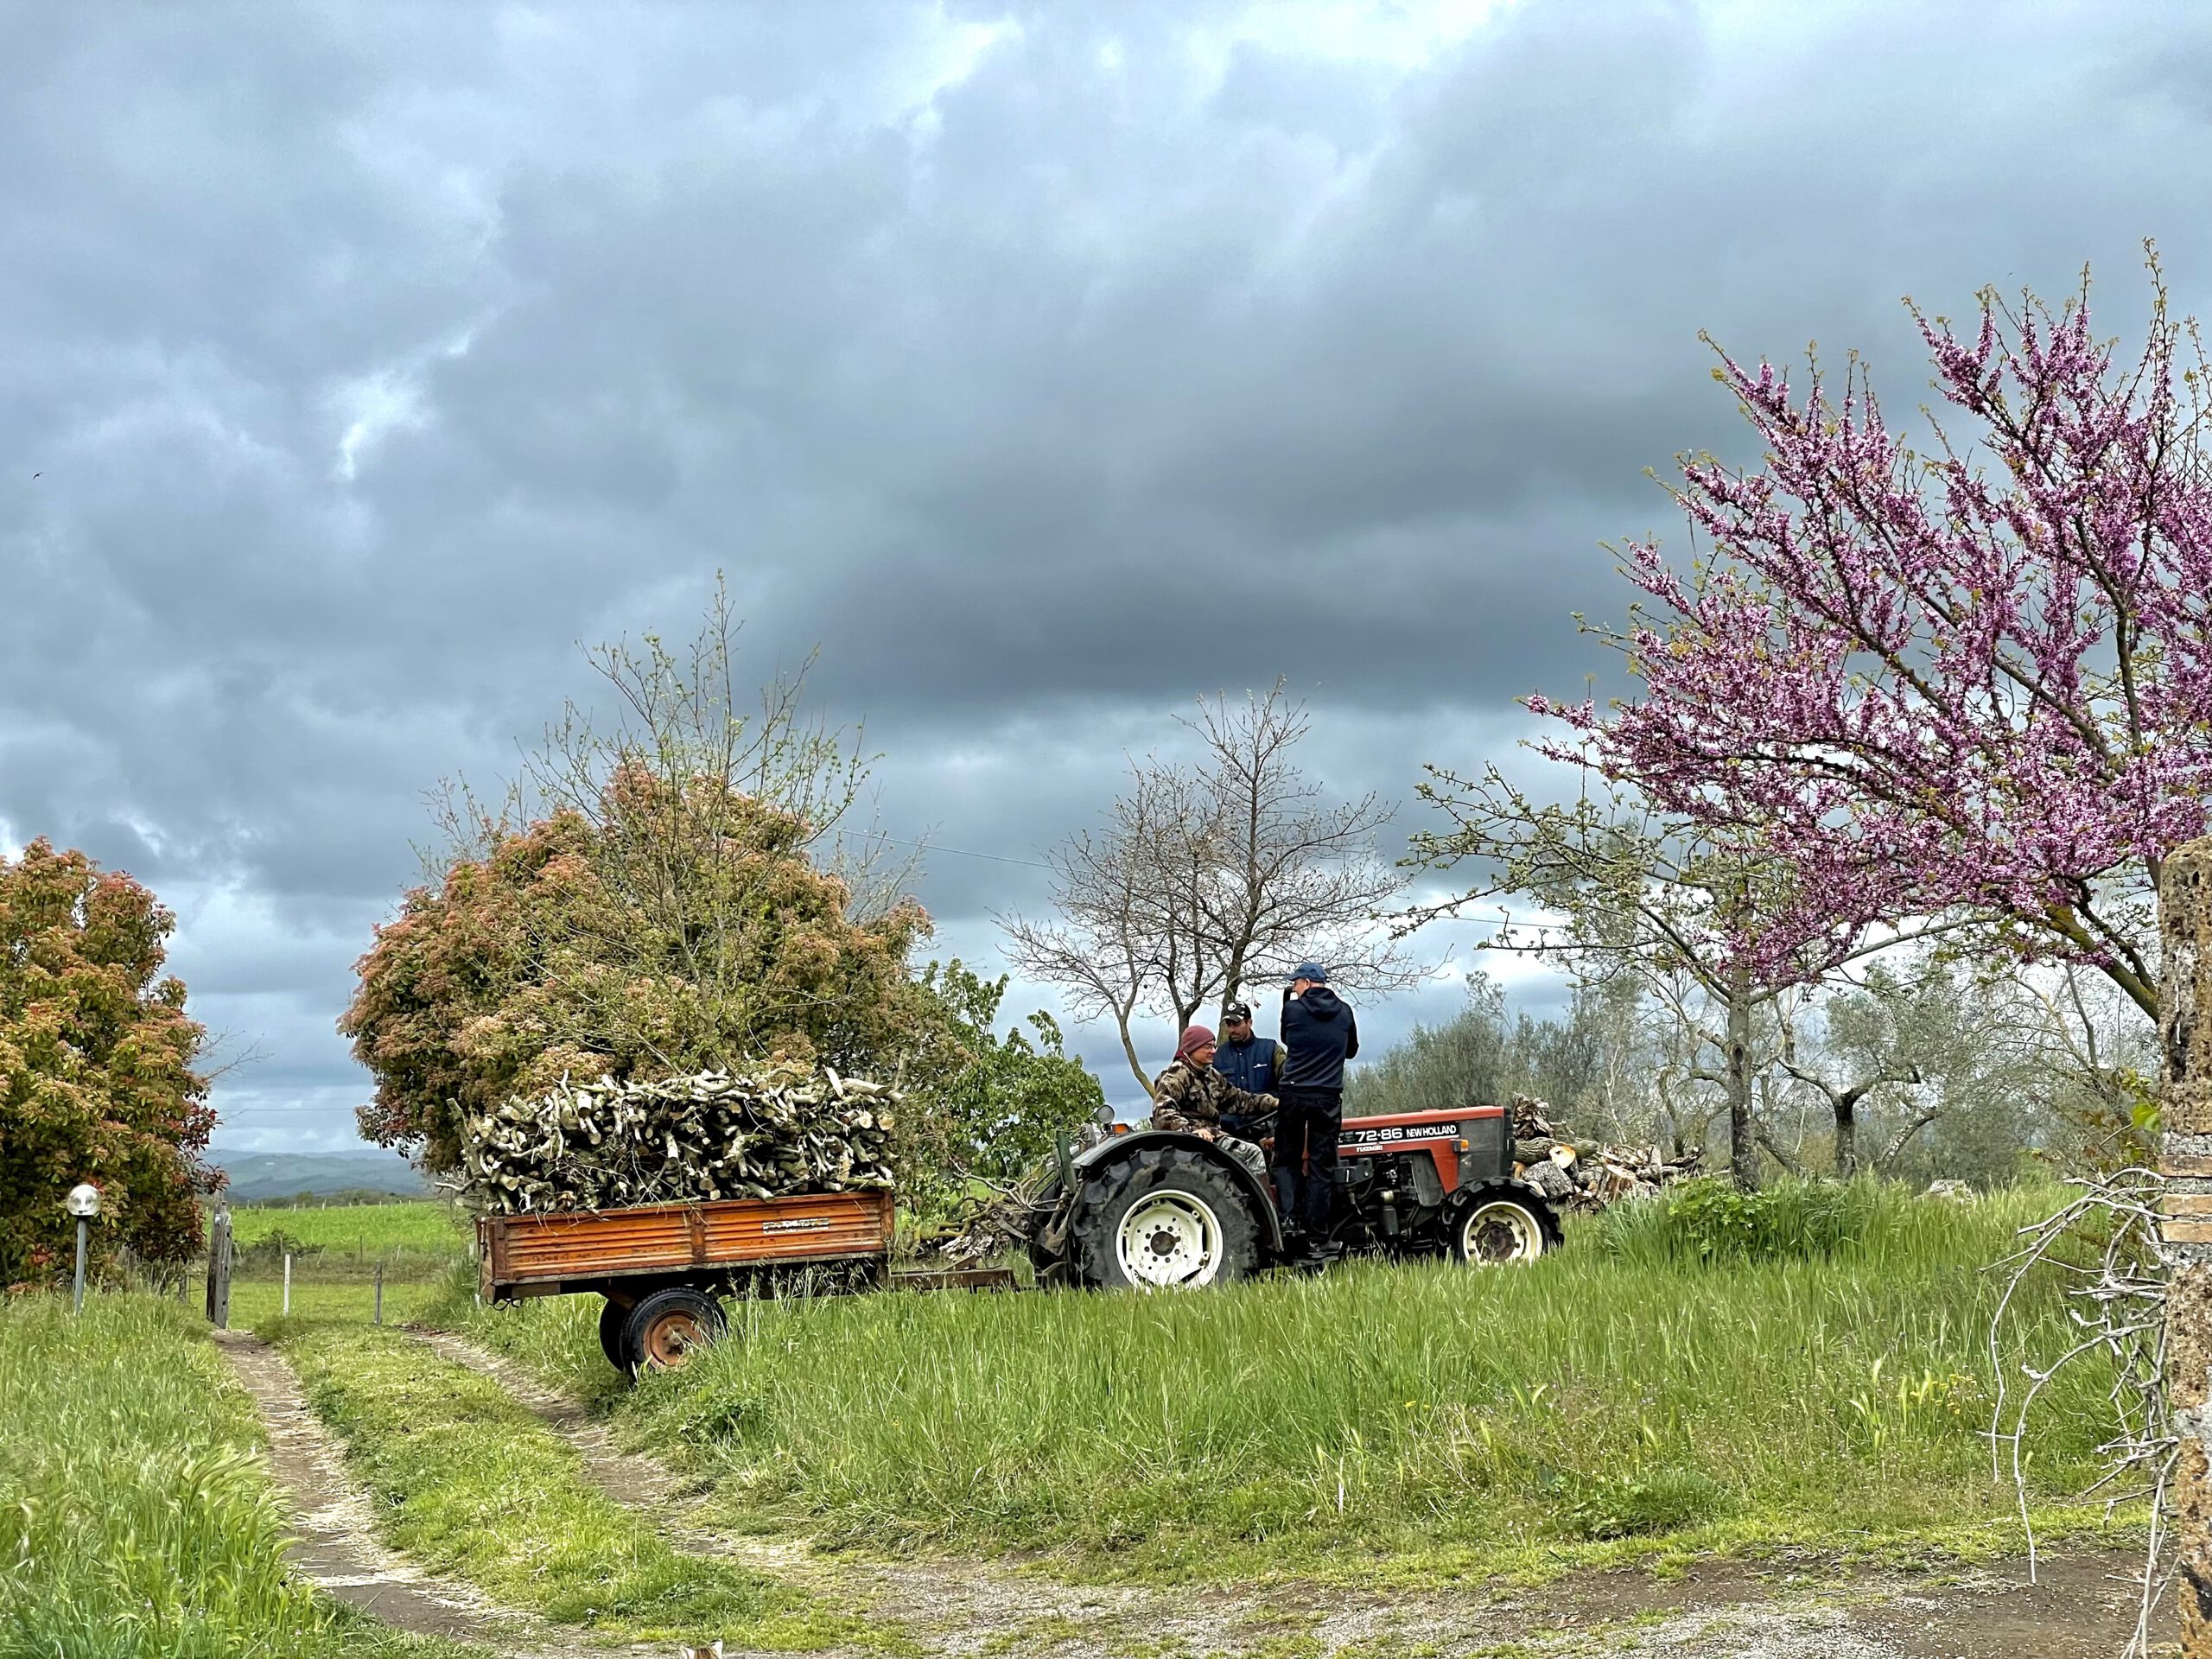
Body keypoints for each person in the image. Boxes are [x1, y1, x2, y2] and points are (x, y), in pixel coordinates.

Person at [1272, 961, 1359, 1263]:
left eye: (1295, 983)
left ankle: (1289, 1222)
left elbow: (1287, 1039)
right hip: (1327, 1095)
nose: (1293, 988)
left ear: (1307, 983)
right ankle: (1318, 1237)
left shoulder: (1292, 1010)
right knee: (1322, 1167)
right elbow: (1351, 1051)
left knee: (1287, 1159)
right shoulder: (1345, 1011)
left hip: (1294, 1093)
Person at [1150, 1025, 1274, 1181]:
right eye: (1208, 1047)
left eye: (1214, 1046)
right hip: (1192, 1143)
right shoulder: (1176, 1076)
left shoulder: (1210, 1074)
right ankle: (1259, 1197)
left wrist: (1273, 1103)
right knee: (1252, 1154)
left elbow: (1238, 1099)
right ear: (1192, 1048)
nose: (1213, 1051)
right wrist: (1193, 1131)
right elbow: (1162, 1114)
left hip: (1212, 1136)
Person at [1211, 1000, 1286, 1098]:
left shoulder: (1271, 1050)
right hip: (1231, 1108)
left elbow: (1290, 1082)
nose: (1232, 1030)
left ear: (1249, 1022)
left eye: (1237, 1024)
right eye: (1228, 1024)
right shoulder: (1219, 1055)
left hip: (1270, 1107)